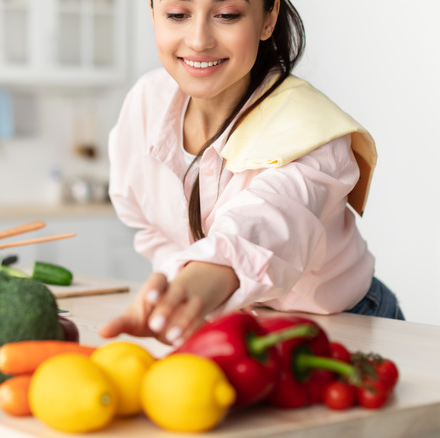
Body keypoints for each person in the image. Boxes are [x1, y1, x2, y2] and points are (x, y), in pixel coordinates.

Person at [99, 0, 404, 347]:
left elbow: (262, 228)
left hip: (341, 327)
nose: (199, 40)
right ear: (152, 13)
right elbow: (150, 226)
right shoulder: (147, 101)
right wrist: (175, 294)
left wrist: (187, 289)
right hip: (233, 329)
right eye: (177, 15)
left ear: (268, 18)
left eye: (227, 15)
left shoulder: (309, 130)